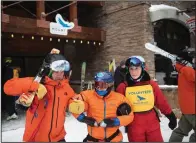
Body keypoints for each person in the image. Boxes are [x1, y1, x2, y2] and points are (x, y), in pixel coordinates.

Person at [4, 53, 75, 142]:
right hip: (36, 138)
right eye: (56, 71)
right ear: (49, 70)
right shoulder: (36, 82)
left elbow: (73, 100)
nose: (60, 74)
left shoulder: (66, 87)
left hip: (58, 137)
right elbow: (8, 87)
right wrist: (35, 86)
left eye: (62, 71)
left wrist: (76, 104)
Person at [116, 56, 177, 142]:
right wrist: (119, 112)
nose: (134, 72)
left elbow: (161, 101)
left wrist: (170, 115)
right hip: (134, 125)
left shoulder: (151, 84)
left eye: (136, 68)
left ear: (142, 68)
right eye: (131, 69)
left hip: (152, 123)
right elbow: (115, 105)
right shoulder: (123, 87)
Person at [69, 71, 134, 142]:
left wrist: (115, 122)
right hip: (92, 139)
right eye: (97, 84)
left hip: (114, 139)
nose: (99, 88)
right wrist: (83, 118)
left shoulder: (119, 98)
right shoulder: (87, 95)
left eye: (103, 85)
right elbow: (73, 103)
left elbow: (130, 116)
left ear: (110, 85)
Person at [169, 49, 195, 142]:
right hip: (193, 109)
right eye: (192, 59)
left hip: (188, 108)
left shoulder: (182, 70)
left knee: (181, 131)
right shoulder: (188, 70)